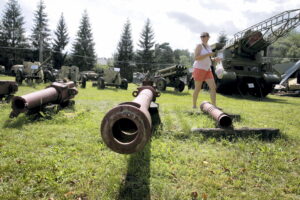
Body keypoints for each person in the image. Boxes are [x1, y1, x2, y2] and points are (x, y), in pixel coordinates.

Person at [192, 32, 221, 109]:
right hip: (199, 69)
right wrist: (208, 54)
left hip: (207, 69)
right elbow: (196, 58)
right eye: (201, 36)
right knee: (198, 88)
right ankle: (194, 105)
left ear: (208, 37)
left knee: (213, 87)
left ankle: (214, 106)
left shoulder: (208, 47)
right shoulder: (199, 46)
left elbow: (208, 58)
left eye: (204, 36)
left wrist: (214, 59)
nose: (202, 37)